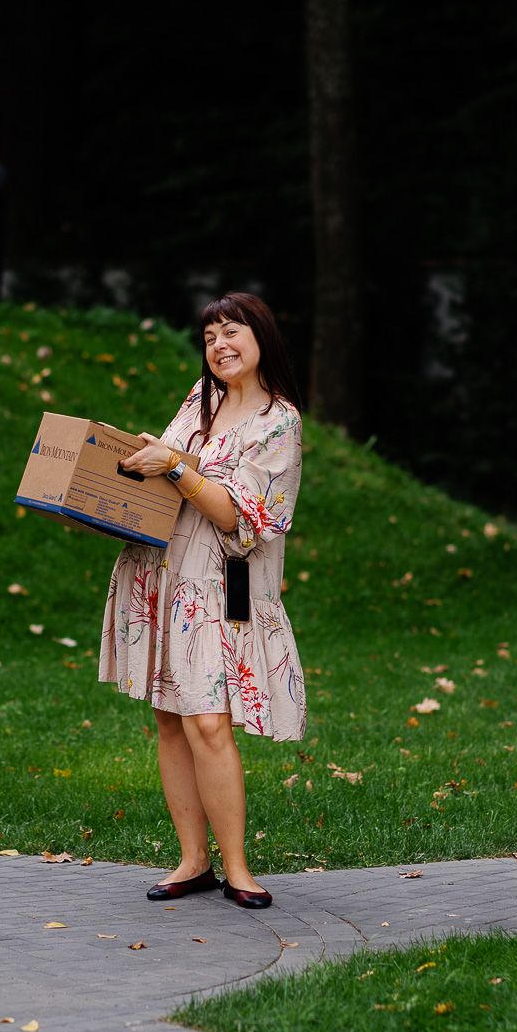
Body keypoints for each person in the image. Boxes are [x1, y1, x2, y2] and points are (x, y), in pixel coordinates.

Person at [101, 292, 306, 910]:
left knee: (209, 722)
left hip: (219, 587)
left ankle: (238, 869)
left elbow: (238, 516)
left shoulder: (279, 422)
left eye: (231, 331)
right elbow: (172, 471)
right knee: (171, 715)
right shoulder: (201, 400)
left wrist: (173, 466)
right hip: (163, 572)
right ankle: (193, 861)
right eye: (210, 336)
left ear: (262, 336)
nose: (219, 345)